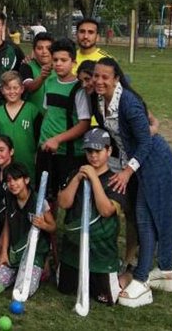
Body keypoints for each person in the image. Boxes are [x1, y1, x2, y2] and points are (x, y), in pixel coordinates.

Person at [92, 58, 172, 307]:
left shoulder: (128, 102)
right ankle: (166, 272)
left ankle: (141, 279)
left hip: (154, 161)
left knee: (145, 216)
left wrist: (127, 172)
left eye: (105, 77)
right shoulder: (100, 99)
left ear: (116, 79)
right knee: (143, 215)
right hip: (135, 161)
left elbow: (146, 142)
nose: (99, 81)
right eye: (96, 76)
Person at [57, 128, 126, 306]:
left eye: (98, 151)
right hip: (73, 252)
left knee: (106, 299)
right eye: (89, 151)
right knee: (64, 289)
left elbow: (106, 210)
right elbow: (63, 203)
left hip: (101, 255)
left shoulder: (115, 180)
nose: (93, 156)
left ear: (109, 151)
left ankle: (128, 273)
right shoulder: (76, 174)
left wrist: (94, 179)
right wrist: (77, 179)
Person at [37, 38, 90, 201]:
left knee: (69, 197)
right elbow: (48, 112)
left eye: (63, 60)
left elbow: (84, 124)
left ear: (73, 62)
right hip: (46, 148)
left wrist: (57, 139)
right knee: (45, 195)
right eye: (55, 60)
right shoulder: (49, 82)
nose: (58, 64)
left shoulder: (79, 88)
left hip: (68, 152)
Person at [0, 163, 55, 298]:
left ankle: (31, 272)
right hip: (15, 253)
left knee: (22, 291)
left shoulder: (38, 201)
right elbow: (8, 224)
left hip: (34, 255)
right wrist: (4, 253)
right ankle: (18, 273)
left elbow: (53, 227)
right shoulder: (9, 197)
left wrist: (43, 224)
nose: (12, 184)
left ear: (26, 180)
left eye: (16, 179)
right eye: (9, 180)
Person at [0, 71, 42, 179]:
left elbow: (40, 139)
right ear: (2, 90)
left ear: (22, 89)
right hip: (6, 167)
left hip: (28, 164)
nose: (12, 91)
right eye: (8, 88)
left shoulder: (32, 110)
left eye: (15, 88)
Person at [19, 32, 54, 112]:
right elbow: (28, 87)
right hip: (31, 117)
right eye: (39, 48)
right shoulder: (27, 66)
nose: (44, 51)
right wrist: (41, 78)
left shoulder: (60, 68)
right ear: (34, 51)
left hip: (55, 118)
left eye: (48, 48)